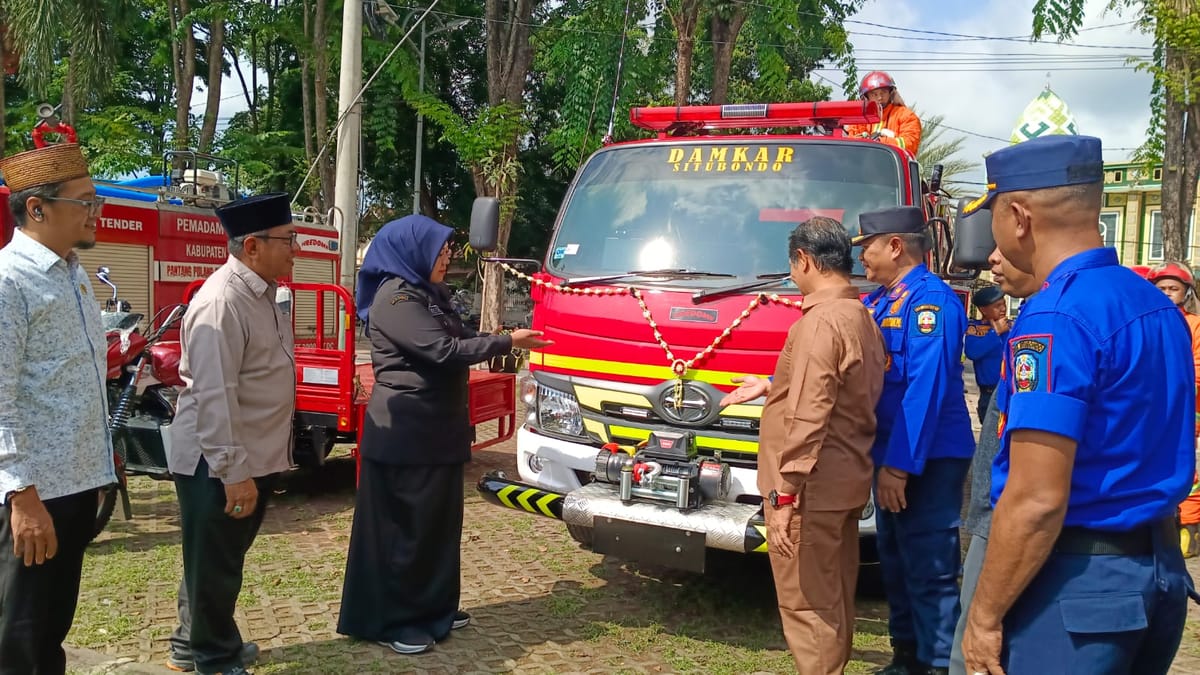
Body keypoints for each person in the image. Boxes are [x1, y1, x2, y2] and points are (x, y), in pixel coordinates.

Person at [960, 135, 1197, 674]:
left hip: (1078, 584)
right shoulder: (1154, 305)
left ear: (1018, 216)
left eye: (993, 213)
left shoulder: (1054, 317)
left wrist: (984, 618)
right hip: (1155, 571)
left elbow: (1036, 498)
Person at [337, 215, 551, 656]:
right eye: (440, 248)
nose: (448, 255)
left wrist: (496, 338)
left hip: (437, 431)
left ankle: (432, 607)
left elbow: (462, 335)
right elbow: (442, 350)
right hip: (407, 435)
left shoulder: (429, 295)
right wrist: (508, 342)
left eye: (448, 248)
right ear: (411, 251)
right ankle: (394, 618)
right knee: (407, 531)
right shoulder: (395, 299)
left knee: (438, 526)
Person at [720, 216, 886, 675]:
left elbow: (809, 415)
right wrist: (774, 383)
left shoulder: (820, 323)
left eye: (792, 266)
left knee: (807, 603)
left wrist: (786, 494)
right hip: (844, 480)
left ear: (806, 261)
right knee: (833, 595)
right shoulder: (859, 315)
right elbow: (836, 387)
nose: (792, 276)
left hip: (811, 489)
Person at [166, 193, 299, 675]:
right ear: (252, 246)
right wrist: (231, 473)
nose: (295, 250)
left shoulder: (260, 292)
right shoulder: (222, 301)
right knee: (216, 567)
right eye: (287, 240)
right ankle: (213, 655)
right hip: (217, 460)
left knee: (214, 559)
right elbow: (215, 394)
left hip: (248, 455)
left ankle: (189, 641)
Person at [0, 143, 116, 674]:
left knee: (50, 631)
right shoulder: (9, 282)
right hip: (32, 495)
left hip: (73, 487)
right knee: (17, 635)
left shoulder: (73, 273)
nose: (96, 213)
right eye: (85, 202)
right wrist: (21, 495)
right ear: (38, 208)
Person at [855, 206, 974, 675]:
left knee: (930, 571)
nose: (862, 257)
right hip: (889, 455)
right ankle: (905, 657)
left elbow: (924, 390)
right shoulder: (883, 301)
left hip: (927, 460)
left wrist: (899, 468)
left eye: (867, 246)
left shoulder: (931, 305)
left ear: (895, 246)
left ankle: (938, 664)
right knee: (896, 563)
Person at [947, 245, 1039, 675]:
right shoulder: (977, 332)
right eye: (993, 305)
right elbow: (983, 355)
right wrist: (997, 329)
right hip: (988, 395)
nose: (999, 308)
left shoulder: (1030, 328)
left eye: (1001, 303)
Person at [1147, 261, 1200, 557]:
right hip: (1152, 409)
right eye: (1162, 288)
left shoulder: (1195, 325)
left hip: (1187, 410)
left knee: (1189, 470)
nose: (1167, 293)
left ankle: (1189, 530)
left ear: (1186, 292)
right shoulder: (1147, 322)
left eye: (1173, 289)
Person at [845, 71, 923, 156]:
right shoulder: (859, 118)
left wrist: (879, 141)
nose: (879, 97)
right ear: (866, 97)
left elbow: (910, 144)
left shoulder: (907, 116)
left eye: (884, 92)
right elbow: (851, 144)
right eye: (874, 94)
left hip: (892, 167)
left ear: (891, 93)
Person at [963, 285, 1007, 423]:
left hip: (1009, 390)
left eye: (1004, 304)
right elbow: (973, 352)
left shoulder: (1010, 326)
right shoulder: (975, 328)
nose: (1003, 309)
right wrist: (995, 333)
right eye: (997, 306)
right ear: (983, 310)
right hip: (989, 393)